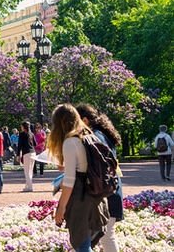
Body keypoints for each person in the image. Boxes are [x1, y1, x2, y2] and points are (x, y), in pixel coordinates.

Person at [48, 104, 108, 252]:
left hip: (80, 197)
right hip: (96, 194)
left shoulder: (69, 142)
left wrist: (61, 208)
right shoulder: (89, 135)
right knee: (87, 242)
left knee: (82, 245)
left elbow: (69, 180)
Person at [76, 103, 122, 252]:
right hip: (111, 190)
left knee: (107, 236)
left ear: (85, 120)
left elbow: (97, 168)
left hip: (106, 192)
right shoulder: (102, 134)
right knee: (105, 235)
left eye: (76, 122)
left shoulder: (95, 137)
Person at [17, 122, 36, 192]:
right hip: (33, 152)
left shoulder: (22, 134)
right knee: (30, 170)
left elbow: (19, 145)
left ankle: (30, 187)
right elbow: (35, 143)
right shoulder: (32, 134)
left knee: (27, 171)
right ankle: (27, 186)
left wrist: (18, 155)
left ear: (23, 127)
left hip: (26, 153)